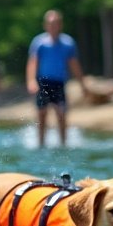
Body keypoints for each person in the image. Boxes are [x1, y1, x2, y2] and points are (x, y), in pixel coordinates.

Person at [26, 10, 88, 148]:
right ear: (45, 25)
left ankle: (63, 144)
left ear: (60, 25)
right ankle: (40, 144)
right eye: (50, 24)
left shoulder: (68, 43)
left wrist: (82, 84)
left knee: (61, 114)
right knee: (42, 114)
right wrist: (31, 81)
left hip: (59, 83)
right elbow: (33, 63)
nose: (53, 26)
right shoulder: (39, 42)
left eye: (56, 24)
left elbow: (74, 64)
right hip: (43, 82)